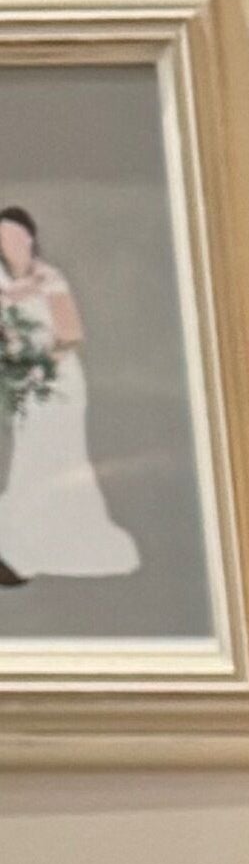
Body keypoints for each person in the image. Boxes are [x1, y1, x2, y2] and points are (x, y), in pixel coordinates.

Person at [0, 205, 142, 582]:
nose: (10, 242)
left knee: (58, 453)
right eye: (3, 237)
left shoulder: (51, 279)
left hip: (59, 380)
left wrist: (39, 363)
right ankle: (22, 541)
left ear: (30, 238)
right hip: (25, 387)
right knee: (29, 456)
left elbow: (71, 335)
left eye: (16, 235)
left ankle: (58, 536)